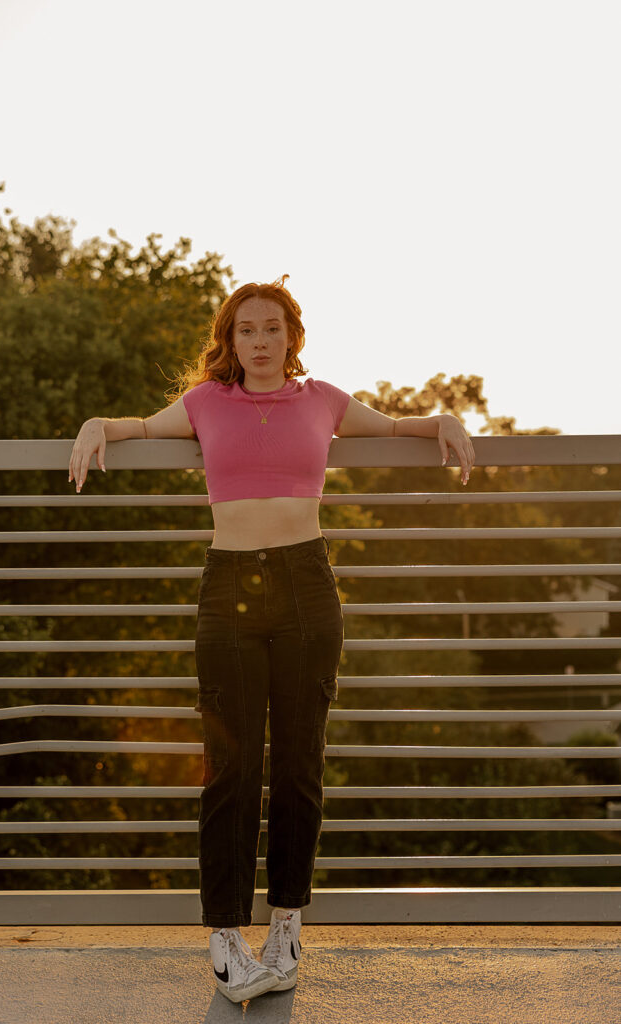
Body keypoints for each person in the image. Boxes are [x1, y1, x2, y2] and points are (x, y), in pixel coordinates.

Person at [68, 274, 475, 1004]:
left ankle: (286, 923)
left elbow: (391, 428)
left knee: (297, 762)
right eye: (246, 329)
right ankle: (225, 938)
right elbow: (140, 427)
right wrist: (99, 424)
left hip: (305, 587)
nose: (259, 341)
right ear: (230, 340)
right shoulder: (204, 404)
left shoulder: (322, 400)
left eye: (271, 329)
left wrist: (442, 419)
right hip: (228, 587)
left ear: (292, 338)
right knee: (230, 765)